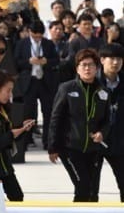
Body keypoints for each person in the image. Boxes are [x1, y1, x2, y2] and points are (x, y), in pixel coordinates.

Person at [48, 48, 110, 202]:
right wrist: (52, 146)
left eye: (91, 65)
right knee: (83, 187)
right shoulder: (67, 88)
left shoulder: (104, 91)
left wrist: (102, 133)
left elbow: (108, 120)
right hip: (70, 148)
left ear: (97, 68)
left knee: (93, 192)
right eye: (83, 65)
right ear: (77, 68)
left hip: (94, 150)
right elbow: (56, 118)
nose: (87, 68)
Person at [0, 69, 34, 201]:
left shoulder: (3, 108)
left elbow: (9, 135)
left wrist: (21, 129)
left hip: (5, 166)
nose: (10, 94)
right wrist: (12, 134)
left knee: (17, 197)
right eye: (8, 90)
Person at [14, 21, 59, 150]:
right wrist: (29, 61)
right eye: (35, 36)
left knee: (48, 112)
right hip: (29, 81)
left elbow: (56, 60)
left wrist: (46, 61)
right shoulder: (22, 44)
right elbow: (16, 62)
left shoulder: (48, 44)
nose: (37, 38)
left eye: (39, 36)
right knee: (28, 112)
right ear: (29, 32)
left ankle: (47, 141)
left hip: (45, 82)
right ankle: (27, 139)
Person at [98, 44, 124, 202]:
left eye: (119, 59)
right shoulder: (91, 82)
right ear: (102, 60)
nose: (115, 62)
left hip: (120, 141)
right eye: (111, 58)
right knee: (90, 188)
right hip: (96, 141)